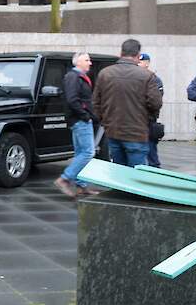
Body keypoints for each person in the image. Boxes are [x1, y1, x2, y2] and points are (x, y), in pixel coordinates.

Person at [92, 38, 163, 167]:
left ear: (121, 53)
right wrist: (148, 120)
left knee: (119, 171)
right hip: (137, 132)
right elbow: (156, 103)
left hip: (113, 131)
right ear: (137, 55)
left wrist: (105, 122)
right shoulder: (147, 76)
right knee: (137, 173)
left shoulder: (105, 74)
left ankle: (119, 188)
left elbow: (96, 102)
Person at [55, 52, 96, 198]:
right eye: (87, 60)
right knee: (88, 152)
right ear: (77, 62)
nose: (90, 63)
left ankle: (81, 186)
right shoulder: (73, 77)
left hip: (79, 120)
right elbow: (72, 100)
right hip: (80, 120)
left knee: (81, 153)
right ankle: (64, 179)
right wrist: (85, 116)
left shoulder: (76, 77)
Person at [138, 53, 164, 168]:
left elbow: (156, 99)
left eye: (141, 62)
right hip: (137, 119)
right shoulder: (135, 78)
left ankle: (155, 168)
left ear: (147, 63)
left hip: (148, 119)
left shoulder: (154, 79)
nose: (138, 64)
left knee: (150, 148)